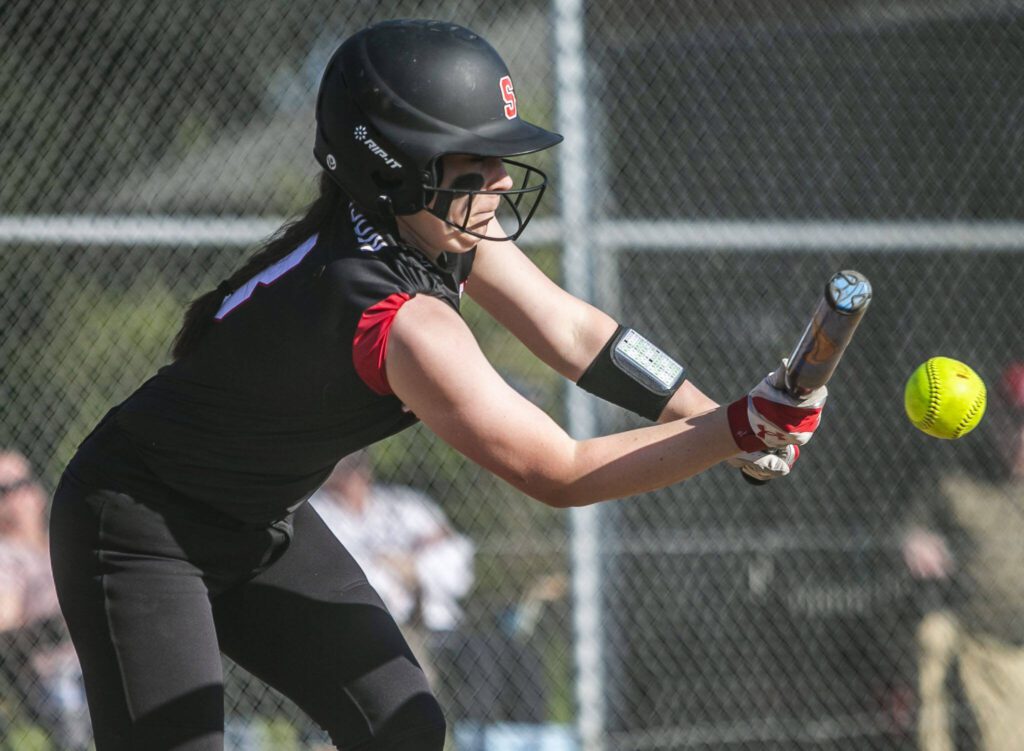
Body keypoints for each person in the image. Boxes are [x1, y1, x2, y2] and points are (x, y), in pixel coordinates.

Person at [48, 18, 828, 751]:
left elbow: (577, 333)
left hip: (260, 523)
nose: (498, 181)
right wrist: (737, 428)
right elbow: (557, 471)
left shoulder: (427, 224)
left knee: (403, 726)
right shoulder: (399, 319)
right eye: (473, 161)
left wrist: (722, 417)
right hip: (138, 527)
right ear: (394, 165)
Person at [902, 361, 1024, 751]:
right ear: (998, 420)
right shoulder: (955, 476)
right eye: (1018, 422)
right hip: (976, 637)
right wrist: (914, 541)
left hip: (1015, 648)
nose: (1022, 437)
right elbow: (910, 529)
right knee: (933, 637)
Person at [308, 450, 475, 689]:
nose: (353, 473)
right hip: (366, 626)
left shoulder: (403, 503)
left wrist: (411, 569)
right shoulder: (315, 512)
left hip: (436, 622)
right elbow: (341, 574)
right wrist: (405, 564)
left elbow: (456, 560)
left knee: (492, 655)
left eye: (356, 463)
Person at [0, 450, 90, 749]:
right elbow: (7, 621)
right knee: (67, 693)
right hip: (49, 670)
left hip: (91, 651)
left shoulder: (60, 540)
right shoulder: (6, 556)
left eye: (24, 482)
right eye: (6, 490)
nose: (21, 494)